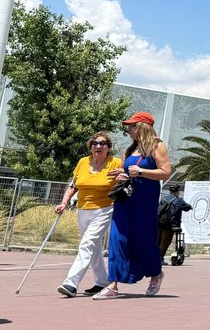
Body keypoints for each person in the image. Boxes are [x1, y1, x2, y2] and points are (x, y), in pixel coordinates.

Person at [96, 112, 172, 300]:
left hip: (144, 202)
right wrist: (121, 175)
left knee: (143, 240)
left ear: (142, 127)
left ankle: (156, 274)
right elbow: (127, 172)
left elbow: (165, 172)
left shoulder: (157, 146)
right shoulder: (130, 150)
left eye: (131, 126)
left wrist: (141, 171)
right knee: (117, 239)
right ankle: (113, 284)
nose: (128, 130)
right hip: (124, 200)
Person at [55, 132, 123, 297]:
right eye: (95, 143)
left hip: (105, 208)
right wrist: (64, 202)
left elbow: (123, 182)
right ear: (90, 146)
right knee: (94, 246)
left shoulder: (115, 163)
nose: (98, 146)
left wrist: (123, 177)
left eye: (103, 143)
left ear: (108, 147)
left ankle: (71, 283)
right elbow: (74, 185)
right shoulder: (83, 162)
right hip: (83, 209)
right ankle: (102, 282)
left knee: (87, 243)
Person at [157, 183, 192, 260]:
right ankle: (160, 258)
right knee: (165, 242)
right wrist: (190, 206)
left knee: (158, 240)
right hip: (171, 225)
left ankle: (155, 257)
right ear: (177, 192)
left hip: (160, 223)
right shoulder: (179, 200)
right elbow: (187, 207)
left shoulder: (164, 198)